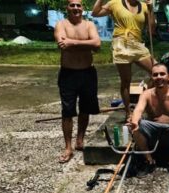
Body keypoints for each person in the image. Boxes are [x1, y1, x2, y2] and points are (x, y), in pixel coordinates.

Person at [91, 0, 156, 121]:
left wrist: (151, 9)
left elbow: (152, 30)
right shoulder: (115, 3)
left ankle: (143, 100)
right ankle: (128, 112)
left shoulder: (145, 6)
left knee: (156, 71)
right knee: (126, 81)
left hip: (137, 44)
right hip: (121, 44)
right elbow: (95, 13)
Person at [54, 0, 101, 163]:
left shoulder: (89, 25)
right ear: (67, 8)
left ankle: (80, 140)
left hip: (88, 73)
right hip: (68, 74)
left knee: (85, 108)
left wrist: (73, 42)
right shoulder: (61, 24)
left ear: (83, 8)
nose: (76, 8)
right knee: (67, 112)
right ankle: (68, 147)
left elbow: (97, 44)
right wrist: (86, 44)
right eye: (72, 5)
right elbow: (62, 45)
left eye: (78, 5)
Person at [129, 63, 169, 176]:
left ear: (168, 76)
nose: (159, 77)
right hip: (152, 127)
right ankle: (149, 160)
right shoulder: (146, 94)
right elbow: (138, 110)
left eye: (162, 74)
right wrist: (134, 121)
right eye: (155, 74)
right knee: (136, 126)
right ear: (151, 77)